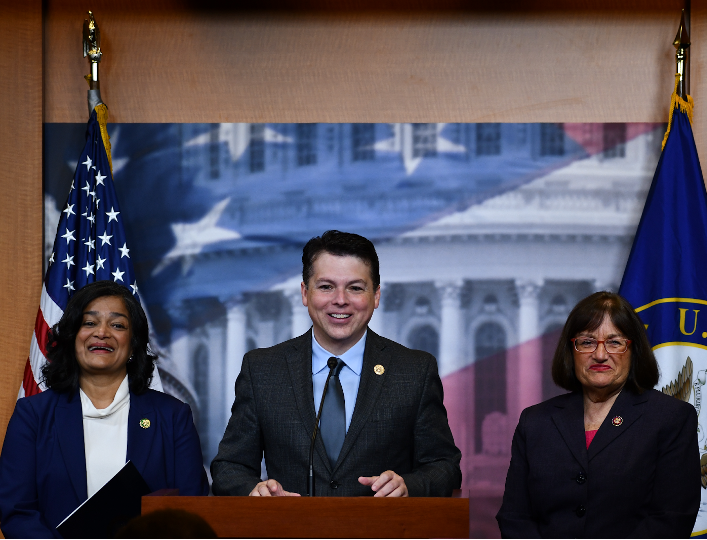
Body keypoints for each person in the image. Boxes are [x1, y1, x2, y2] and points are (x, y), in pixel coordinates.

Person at [211, 230, 461, 497]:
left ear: (375, 296)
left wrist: (408, 486)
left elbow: (445, 467)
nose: (340, 299)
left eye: (355, 288)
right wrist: (255, 492)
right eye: (326, 286)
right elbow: (229, 468)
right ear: (305, 293)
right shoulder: (262, 369)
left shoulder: (414, 371)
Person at [0, 281, 208, 539]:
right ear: (72, 336)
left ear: (133, 345)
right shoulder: (33, 415)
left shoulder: (173, 416)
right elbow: (16, 511)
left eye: (117, 325)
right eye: (89, 323)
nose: (102, 332)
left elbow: (191, 508)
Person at [497, 291, 701, 538]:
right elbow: (515, 517)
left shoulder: (671, 418)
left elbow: (671, 518)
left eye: (615, 342)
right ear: (571, 351)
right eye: (587, 342)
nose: (600, 354)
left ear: (633, 350)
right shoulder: (535, 421)